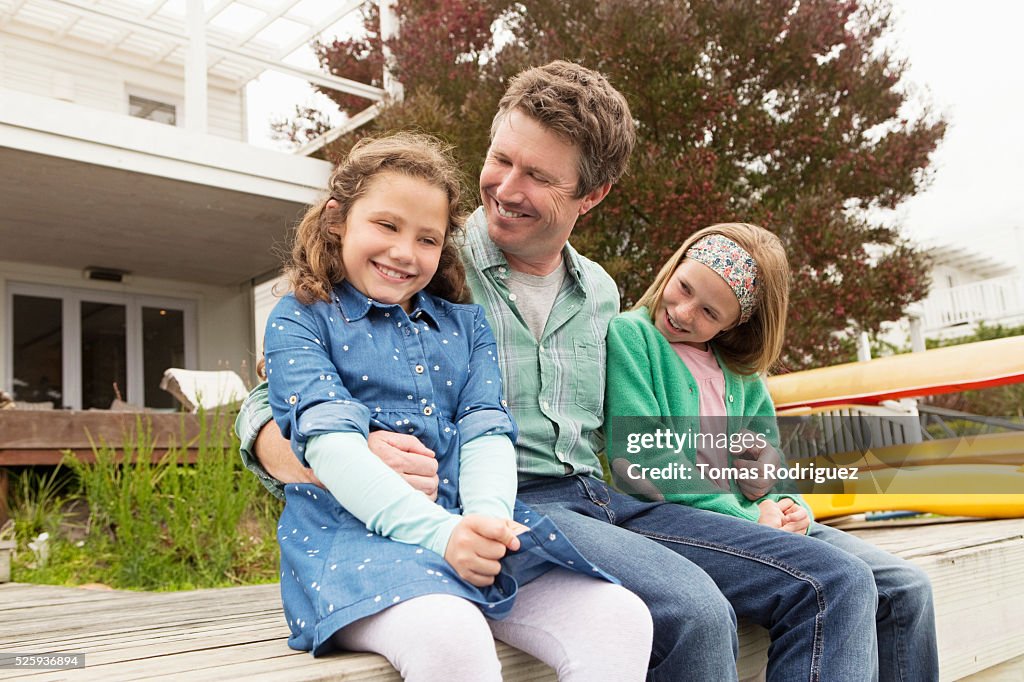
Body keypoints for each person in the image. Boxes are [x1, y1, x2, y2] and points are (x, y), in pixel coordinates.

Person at [238, 61, 938, 681]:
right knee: (701, 608)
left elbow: (676, 410)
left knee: (891, 586)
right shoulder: (428, 258)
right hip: (516, 502)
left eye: (539, 176)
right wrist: (330, 457)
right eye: (501, 158)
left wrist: (765, 493)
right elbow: (278, 396)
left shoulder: (601, 294)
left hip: (610, 499)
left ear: (591, 197)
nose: (505, 188)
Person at [260, 131, 652, 681]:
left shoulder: (465, 326)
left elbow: (487, 428)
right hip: (354, 544)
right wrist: (444, 537)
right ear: (336, 219)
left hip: (468, 525)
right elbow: (331, 448)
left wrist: (486, 522)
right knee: (450, 635)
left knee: (622, 618)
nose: (404, 252)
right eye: (386, 225)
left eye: (428, 238)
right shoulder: (300, 319)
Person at [605, 223, 814, 533]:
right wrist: (748, 519)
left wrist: (792, 509)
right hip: (679, 525)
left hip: (760, 523)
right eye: (684, 287)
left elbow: (768, 453)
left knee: (899, 579)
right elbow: (643, 454)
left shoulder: (742, 372)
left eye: (709, 313)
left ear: (731, 326)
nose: (684, 312)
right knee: (845, 574)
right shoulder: (631, 337)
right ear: (674, 268)